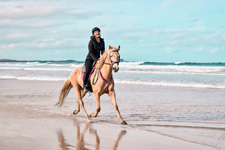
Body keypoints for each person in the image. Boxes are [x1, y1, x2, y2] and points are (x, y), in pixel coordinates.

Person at [83, 27, 105, 92]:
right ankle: (85, 85)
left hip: (98, 58)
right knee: (88, 71)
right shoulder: (91, 41)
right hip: (90, 58)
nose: (97, 33)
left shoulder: (102, 41)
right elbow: (90, 52)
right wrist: (96, 60)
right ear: (93, 34)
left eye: (98, 31)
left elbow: (103, 51)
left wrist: (103, 58)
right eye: (95, 32)